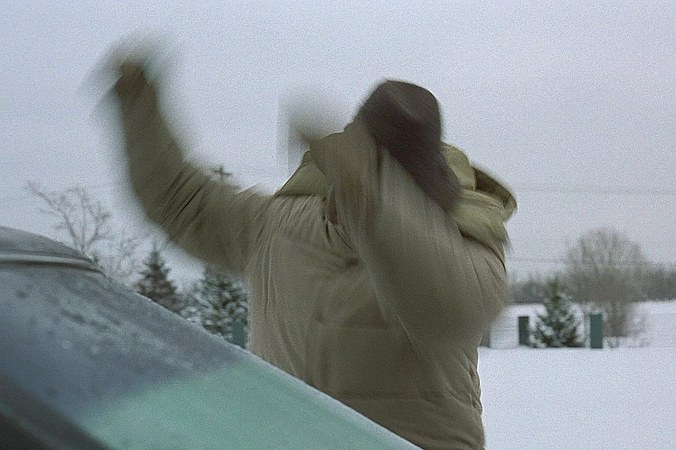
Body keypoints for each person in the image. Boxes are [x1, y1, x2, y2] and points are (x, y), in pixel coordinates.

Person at [106, 53, 516, 449]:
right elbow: (182, 201)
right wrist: (139, 107)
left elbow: (451, 314)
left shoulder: (468, 234)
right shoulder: (277, 224)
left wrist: (368, 197)